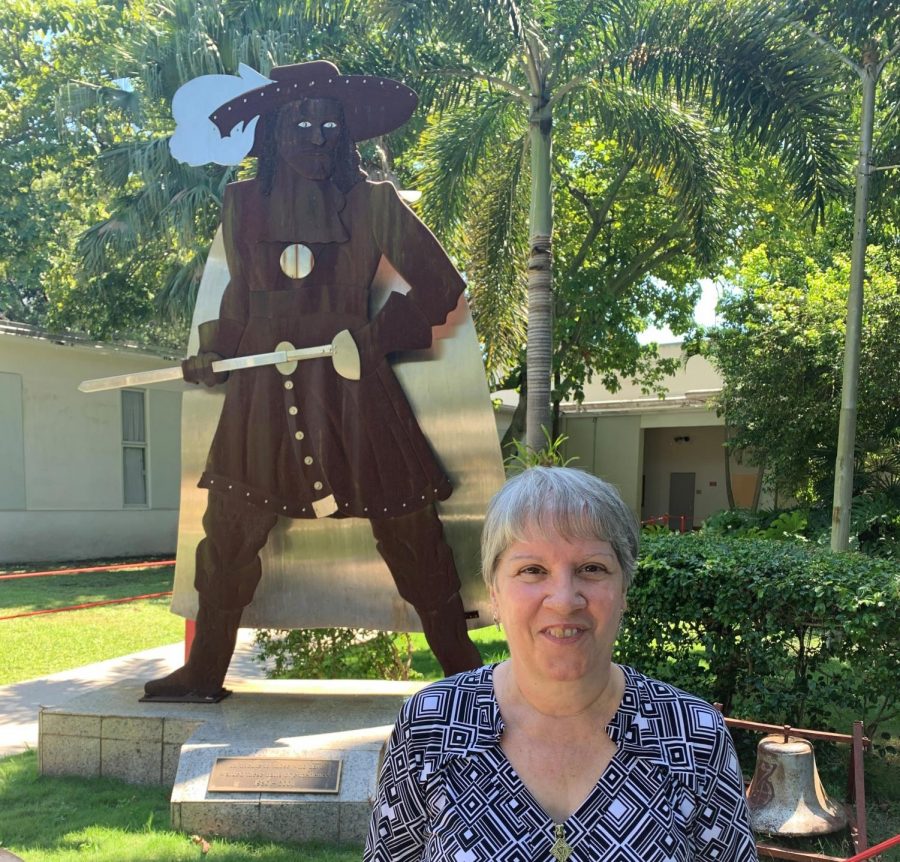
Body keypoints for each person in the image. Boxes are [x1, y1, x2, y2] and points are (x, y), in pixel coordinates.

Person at [144, 61, 481, 700]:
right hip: (261, 398)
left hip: (357, 392)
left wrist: (374, 338)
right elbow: (243, 299)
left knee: (411, 528)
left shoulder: (375, 204)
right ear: (273, 131)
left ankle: (465, 679)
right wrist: (213, 352)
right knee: (228, 536)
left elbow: (442, 287)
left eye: (330, 122)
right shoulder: (242, 204)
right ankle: (204, 672)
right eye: (300, 121)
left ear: (346, 133)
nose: (317, 134)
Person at [365, 466, 758, 861]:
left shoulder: (694, 736)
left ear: (624, 589)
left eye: (591, 569)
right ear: (495, 592)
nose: (565, 600)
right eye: (532, 570)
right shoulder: (431, 725)